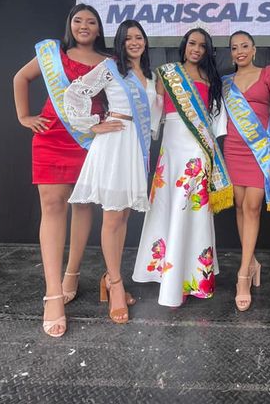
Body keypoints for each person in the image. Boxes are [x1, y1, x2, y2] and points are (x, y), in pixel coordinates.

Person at [13, 4, 107, 337]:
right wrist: (24, 116)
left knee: (82, 205)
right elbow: (21, 78)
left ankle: (73, 273)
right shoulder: (54, 55)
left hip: (88, 140)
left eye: (91, 21)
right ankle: (53, 294)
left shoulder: (108, 62)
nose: (84, 26)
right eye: (78, 20)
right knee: (52, 207)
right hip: (51, 135)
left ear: (99, 29)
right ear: (70, 25)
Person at [63, 20, 160, 324]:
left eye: (139, 37)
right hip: (115, 143)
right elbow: (75, 93)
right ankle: (116, 285)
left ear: (145, 41)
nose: (134, 42)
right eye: (128, 38)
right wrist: (94, 124)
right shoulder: (110, 68)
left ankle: (110, 276)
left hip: (135, 147)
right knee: (113, 217)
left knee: (124, 217)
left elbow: (155, 115)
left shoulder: (151, 76)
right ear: (120, 42)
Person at [133, 28, 233, 307]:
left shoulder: (211, 80)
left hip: (198, 151)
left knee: (193, 211)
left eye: (202, 45)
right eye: (192, 43)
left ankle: (191, 278)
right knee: (167, 207)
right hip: (171, 151)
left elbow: (215, 121)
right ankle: (167, 274)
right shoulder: (167, 74)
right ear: (184, 45)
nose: (196, 49)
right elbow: (154, 110)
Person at [222, 31, 270, 311]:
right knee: (239, 204)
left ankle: (243, 274)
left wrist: (261, 114)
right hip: (233, 147)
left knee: (253, 206)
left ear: (254, 49)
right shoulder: (226, 82)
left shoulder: (267, 73)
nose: (240, 51)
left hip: (259, 149)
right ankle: (252, 261)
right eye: (235, 48)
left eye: (245, 46)